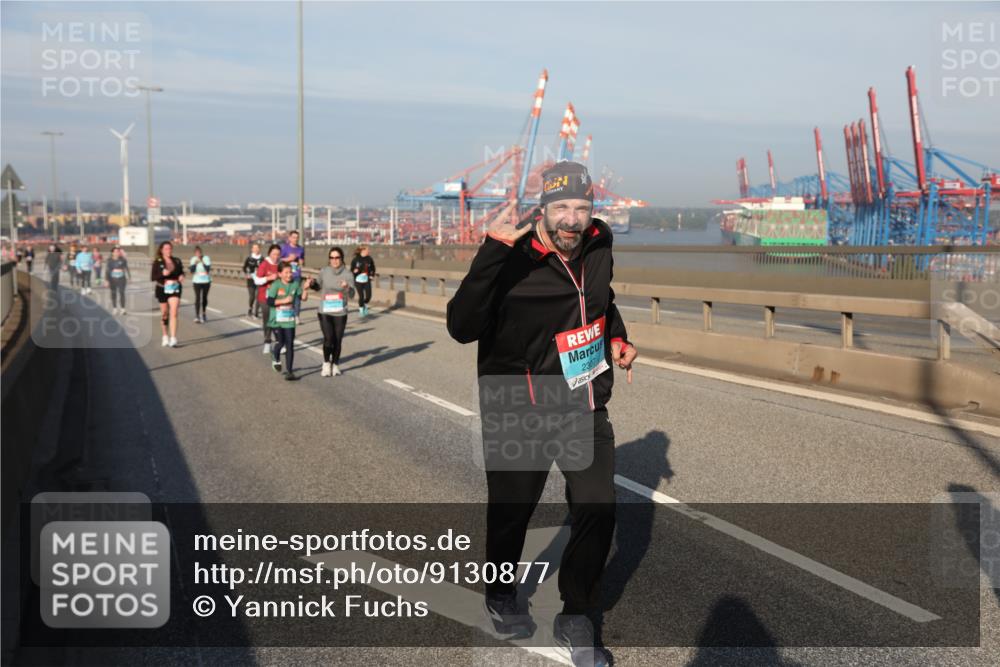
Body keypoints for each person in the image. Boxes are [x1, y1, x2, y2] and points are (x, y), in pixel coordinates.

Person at [446, 162, 637, 667]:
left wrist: (617, 337)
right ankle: (501, 591)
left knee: (598, 506)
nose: (572, 220)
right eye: (561, 209)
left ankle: (577, 612)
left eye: (582, 207)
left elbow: (601, 302)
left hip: (583, 401)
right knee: (512, 513)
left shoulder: (600, 244)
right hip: (518, 406)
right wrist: (491, 252)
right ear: (543, 210)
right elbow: (461, 326)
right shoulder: (512, 259)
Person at [307, 246, 354, 377]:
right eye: (332, 258)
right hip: (325, 311)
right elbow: (318, 286)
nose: (334, 260)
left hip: (340, 312)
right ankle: (326, 363)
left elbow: (352, 294)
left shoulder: (348, 274)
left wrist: (346, 287)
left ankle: (336, 364)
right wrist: (311, 284)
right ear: (329, 259)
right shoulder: (324, 271)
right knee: (329, 339)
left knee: (337, 340)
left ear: (342, 259)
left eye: (337, 257)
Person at [266, 260, 308, 380]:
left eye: (290, 272)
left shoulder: (295, 284)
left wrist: (305, 288)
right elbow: (269, 301)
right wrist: (283, 301)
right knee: (281, 342)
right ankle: (275, 356)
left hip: (289, 319)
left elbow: (303, 298)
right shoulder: (276, 285)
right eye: (286, 272)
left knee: (290, 345)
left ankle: (290, 372)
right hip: (276, 320)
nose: (289, 275)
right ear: (279, 274)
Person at [150, 240, 184, 347]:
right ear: (161, 250)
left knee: (174, 312)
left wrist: (182, 276)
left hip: (175, 288)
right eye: (166, 249)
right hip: (162, 289)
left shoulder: (177, 260)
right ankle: (165, 335)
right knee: (165, 314)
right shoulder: (157, 262)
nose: (168, 250)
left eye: (170, 248)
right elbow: (153, 277)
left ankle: (173, 338)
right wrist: (162, 273)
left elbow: (181, 272)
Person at [254, 244, 282, 355]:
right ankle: (267, 342)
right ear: (269, 254)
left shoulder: (281, 265)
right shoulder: (264, 264)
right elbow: (257, 280)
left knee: (278, 320)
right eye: (274, 254)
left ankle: (280, 342)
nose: (276, 256)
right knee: (268, 321)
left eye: (278, 254)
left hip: (278, 298)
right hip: (264, 297)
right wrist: (269, 278)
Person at [280, 230, 306, 324]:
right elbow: (279, 260)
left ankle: (297, 316)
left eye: (297, 237)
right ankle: (285, 314)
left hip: (296, 275)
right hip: (286, 275)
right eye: (294, 237)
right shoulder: (285, 248)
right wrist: (288, 259)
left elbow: (302, 260)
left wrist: (300, 262)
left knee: (297, 296)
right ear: (289, 238)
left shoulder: (301, 249)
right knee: (286, 294)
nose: (296, 239)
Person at [350, 244, 376, 317]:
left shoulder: (369, 259)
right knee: (361, 296)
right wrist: (354, 271)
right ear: (363, 250)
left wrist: (372, 275)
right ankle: (361, 310)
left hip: (366, 279)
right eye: (368, 249)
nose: (369, 251)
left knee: (368, 296)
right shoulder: (355, 259)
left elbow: (373, 268)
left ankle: (364, 304)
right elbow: (351, 269)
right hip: (358, 280)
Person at [105, 246, 131, 315]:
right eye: (115, 252)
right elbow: (107, 271)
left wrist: (129, 277)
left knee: (122, 293)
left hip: (122, 279)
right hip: (112, 279)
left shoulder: (123, 260)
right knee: (114, 293)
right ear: (112, 253)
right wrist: (107, 280)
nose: (117, 253)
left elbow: (126, 268)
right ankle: (115, 308)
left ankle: (123, 309)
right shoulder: (109, 260)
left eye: (118, 251)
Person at [189, 246, 212, 323]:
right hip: (197, 281)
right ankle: (197, 316)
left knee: (204, 297)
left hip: (206, 281)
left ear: (201, 253)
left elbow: (208, 269)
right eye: (196, 253)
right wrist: (195, 264)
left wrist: (202, 261)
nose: (198, 254)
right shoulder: (193, 259)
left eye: (199, 253)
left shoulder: (206, 258)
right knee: (198, 297)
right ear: (195, 253)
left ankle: (204, 313)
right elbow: (191, 271)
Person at [242, 243, 263, 318]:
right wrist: (247, 274)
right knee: (252, 296)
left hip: (260, 280)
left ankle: (256, 313)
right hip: (251, 280)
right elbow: (244, 267)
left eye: (257, 248)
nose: (256, 249)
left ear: (260, 249)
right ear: (252, 249)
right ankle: (250, 308)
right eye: (254, 248)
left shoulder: (262, 259)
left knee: (259, 296)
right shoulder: (249, 258)